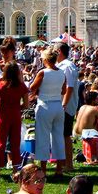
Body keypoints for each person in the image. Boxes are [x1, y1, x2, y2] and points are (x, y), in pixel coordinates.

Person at [0, 62, 29, 181]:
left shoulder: (0, 85)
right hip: (15, 115)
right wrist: (17, 107)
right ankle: (16, 171)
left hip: (3, 116)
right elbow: (26, 105)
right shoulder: (22, 86)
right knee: (15, 143)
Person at [29, 48, 67, 176]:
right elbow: (63, 91)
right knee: (58, 137)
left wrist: (40, 91)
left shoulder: (43, 72)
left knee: (43, 137)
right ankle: (59, 169)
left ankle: (43, 169)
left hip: (45, 105)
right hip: (58, 105)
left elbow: (32, 87)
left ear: (45, 59)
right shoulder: (62, 73)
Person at [56, 42, 79, 173]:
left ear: (59, 51)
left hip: (66, 105)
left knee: (65, 135)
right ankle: (63, 161)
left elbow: (69, 87)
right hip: (62, 103)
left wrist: (64, 103)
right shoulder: (62, 66)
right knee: (61, 134)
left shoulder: (68, 66)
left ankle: (69, 164)